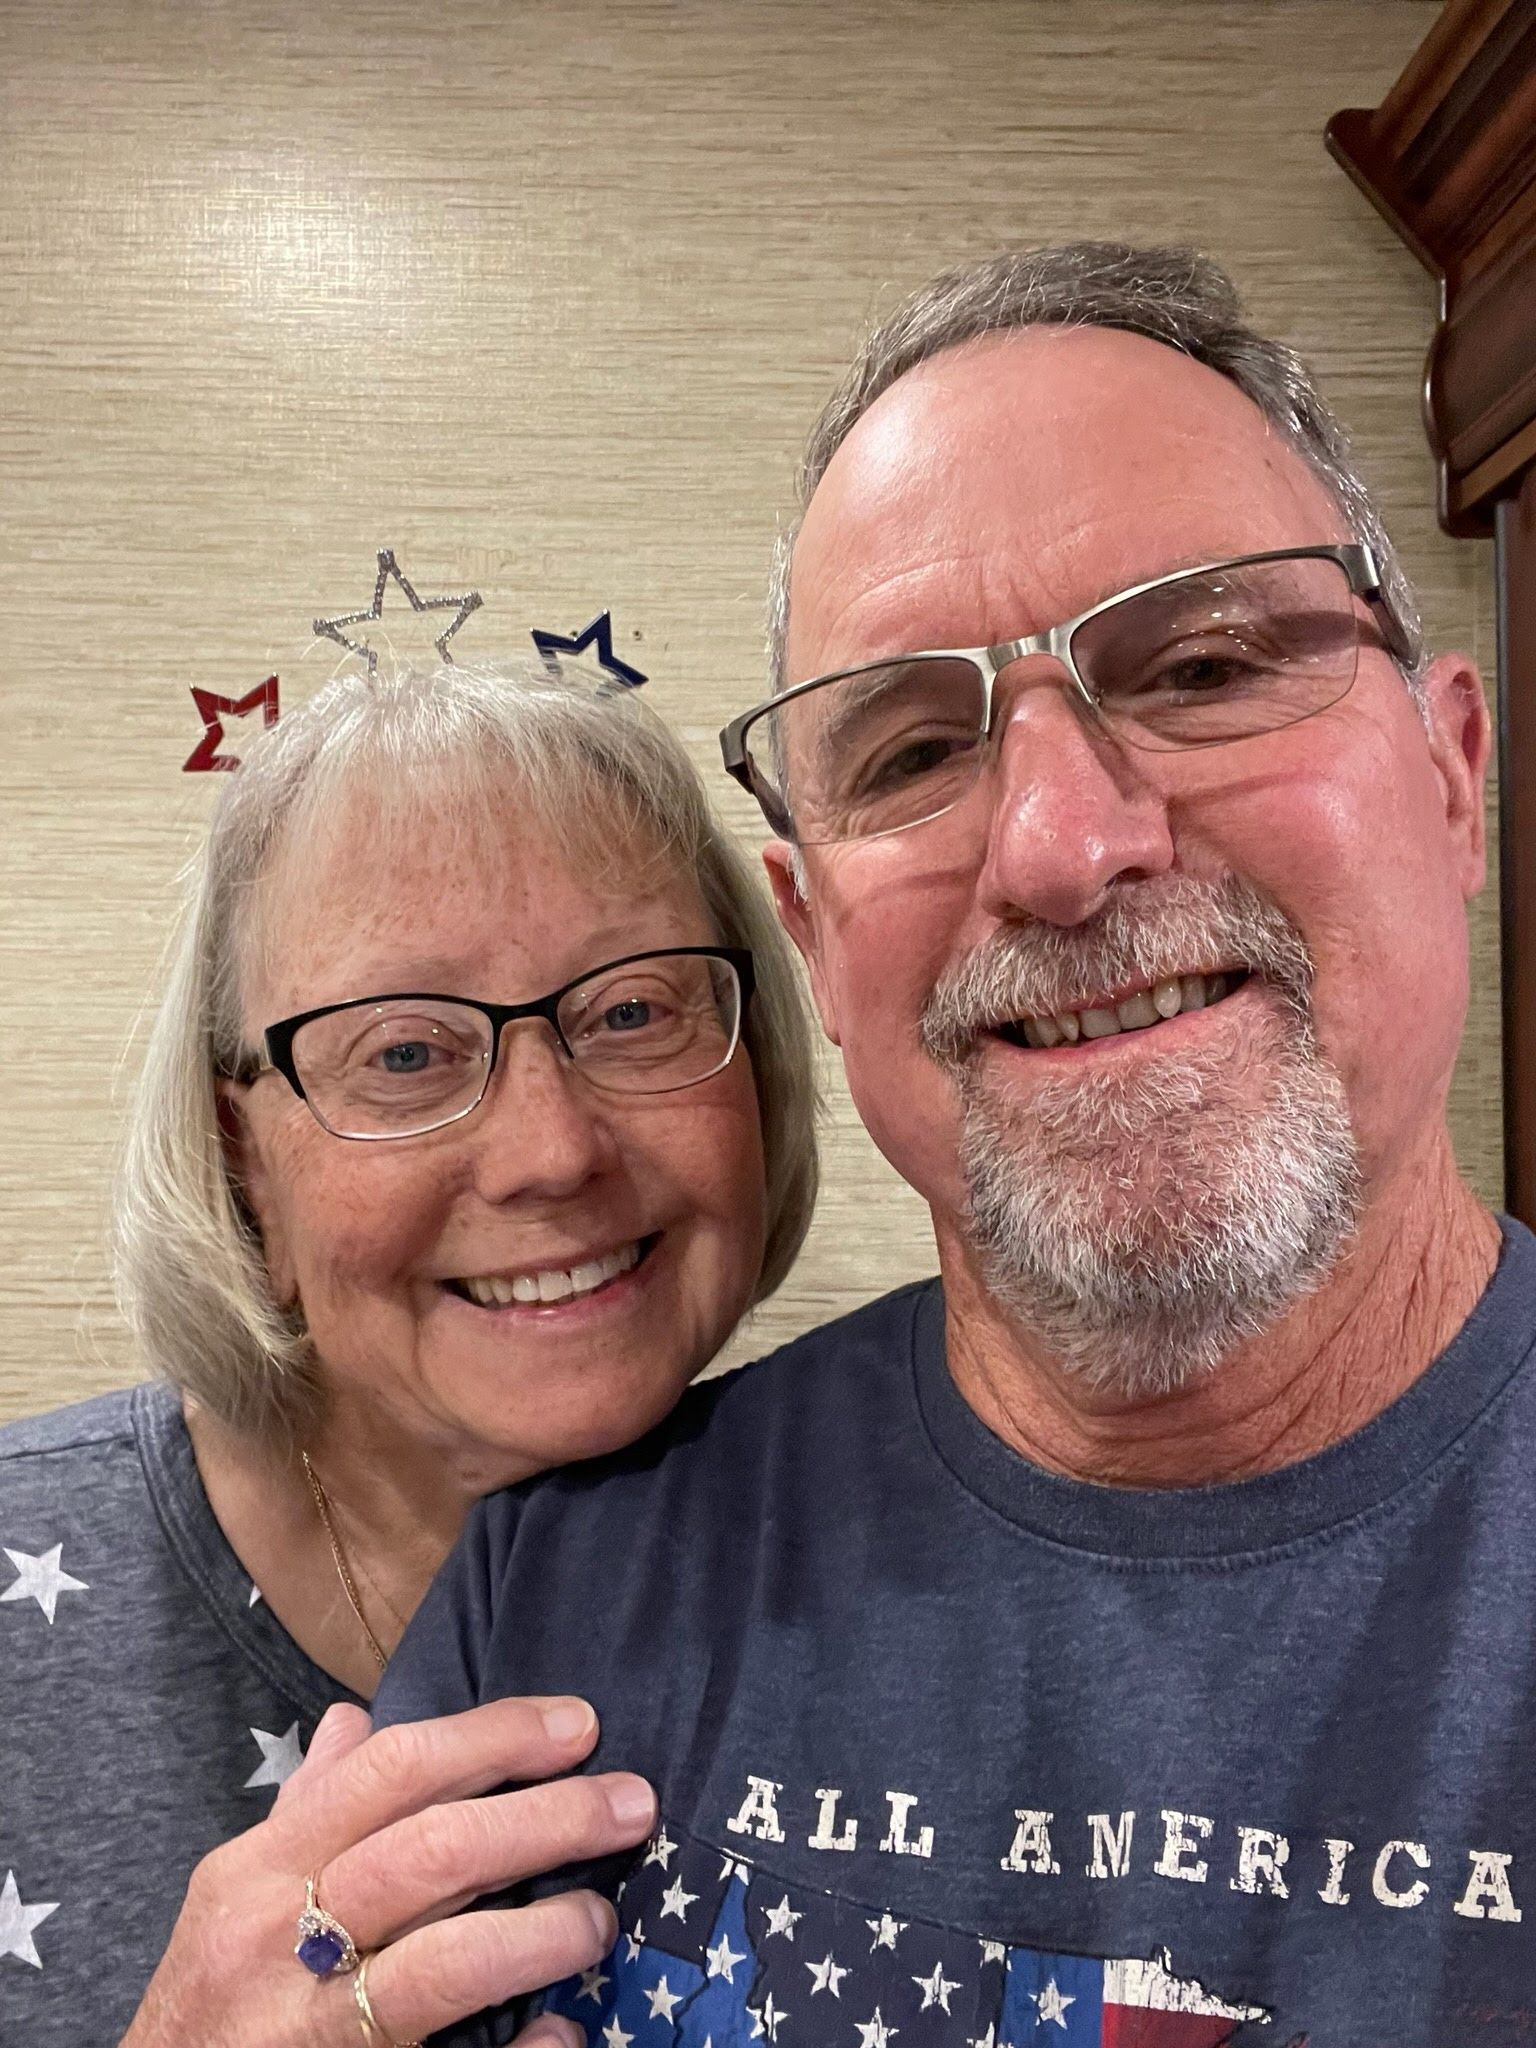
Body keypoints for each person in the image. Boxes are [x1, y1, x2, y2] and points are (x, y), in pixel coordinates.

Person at [376, 244, 1531, 2048]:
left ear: (1456, 777)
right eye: (914, 753)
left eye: (1206, 661)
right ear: (817, 942)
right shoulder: (566, 1591)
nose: (1064, 847)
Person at [0, 655, 818, 2048]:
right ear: (245, 1161)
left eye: (632, 1012)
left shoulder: (902, 1546)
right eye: (404, 1056)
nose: (552, 1151)